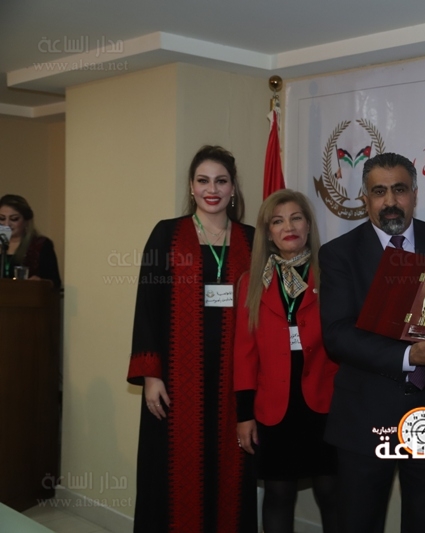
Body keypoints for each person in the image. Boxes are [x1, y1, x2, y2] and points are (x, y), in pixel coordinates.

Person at [319, 152, 425, 533]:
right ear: (365, 198)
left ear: (414, 194)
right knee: (359, 523)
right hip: (366, 415)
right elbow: (337, 334)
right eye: (379, 191)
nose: (390, 201)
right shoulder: (338, 254)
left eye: (399, 190)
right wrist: (407, 355)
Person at [126, 145, 257, 532]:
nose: (211, 189)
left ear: (233, 188)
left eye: (221, 181)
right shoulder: (167, 234)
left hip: (234, 380)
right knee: (172, 474)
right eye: (203, 181)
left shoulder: (252, 240)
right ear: (191, 186)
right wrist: (152, 374)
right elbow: (147, 305)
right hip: (176, 382)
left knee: (230, 471)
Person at [234, 189, 339, 533]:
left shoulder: (331, 275)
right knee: (278, 494)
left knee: (331, 491)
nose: (288, 227)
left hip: (325, 402)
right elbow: (244, 354)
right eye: (277, 222)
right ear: (268, 233)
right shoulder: (251, 283)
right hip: (274, 407)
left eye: (296, 218)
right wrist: (244, 415)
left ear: (308, 225)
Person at [0, 194, 61, 289]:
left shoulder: (40, 245)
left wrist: (40, 282)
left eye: (14, 219)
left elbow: (55, 282)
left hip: (25, 296)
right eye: (2, 218)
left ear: (26, 221)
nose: (6, 224)